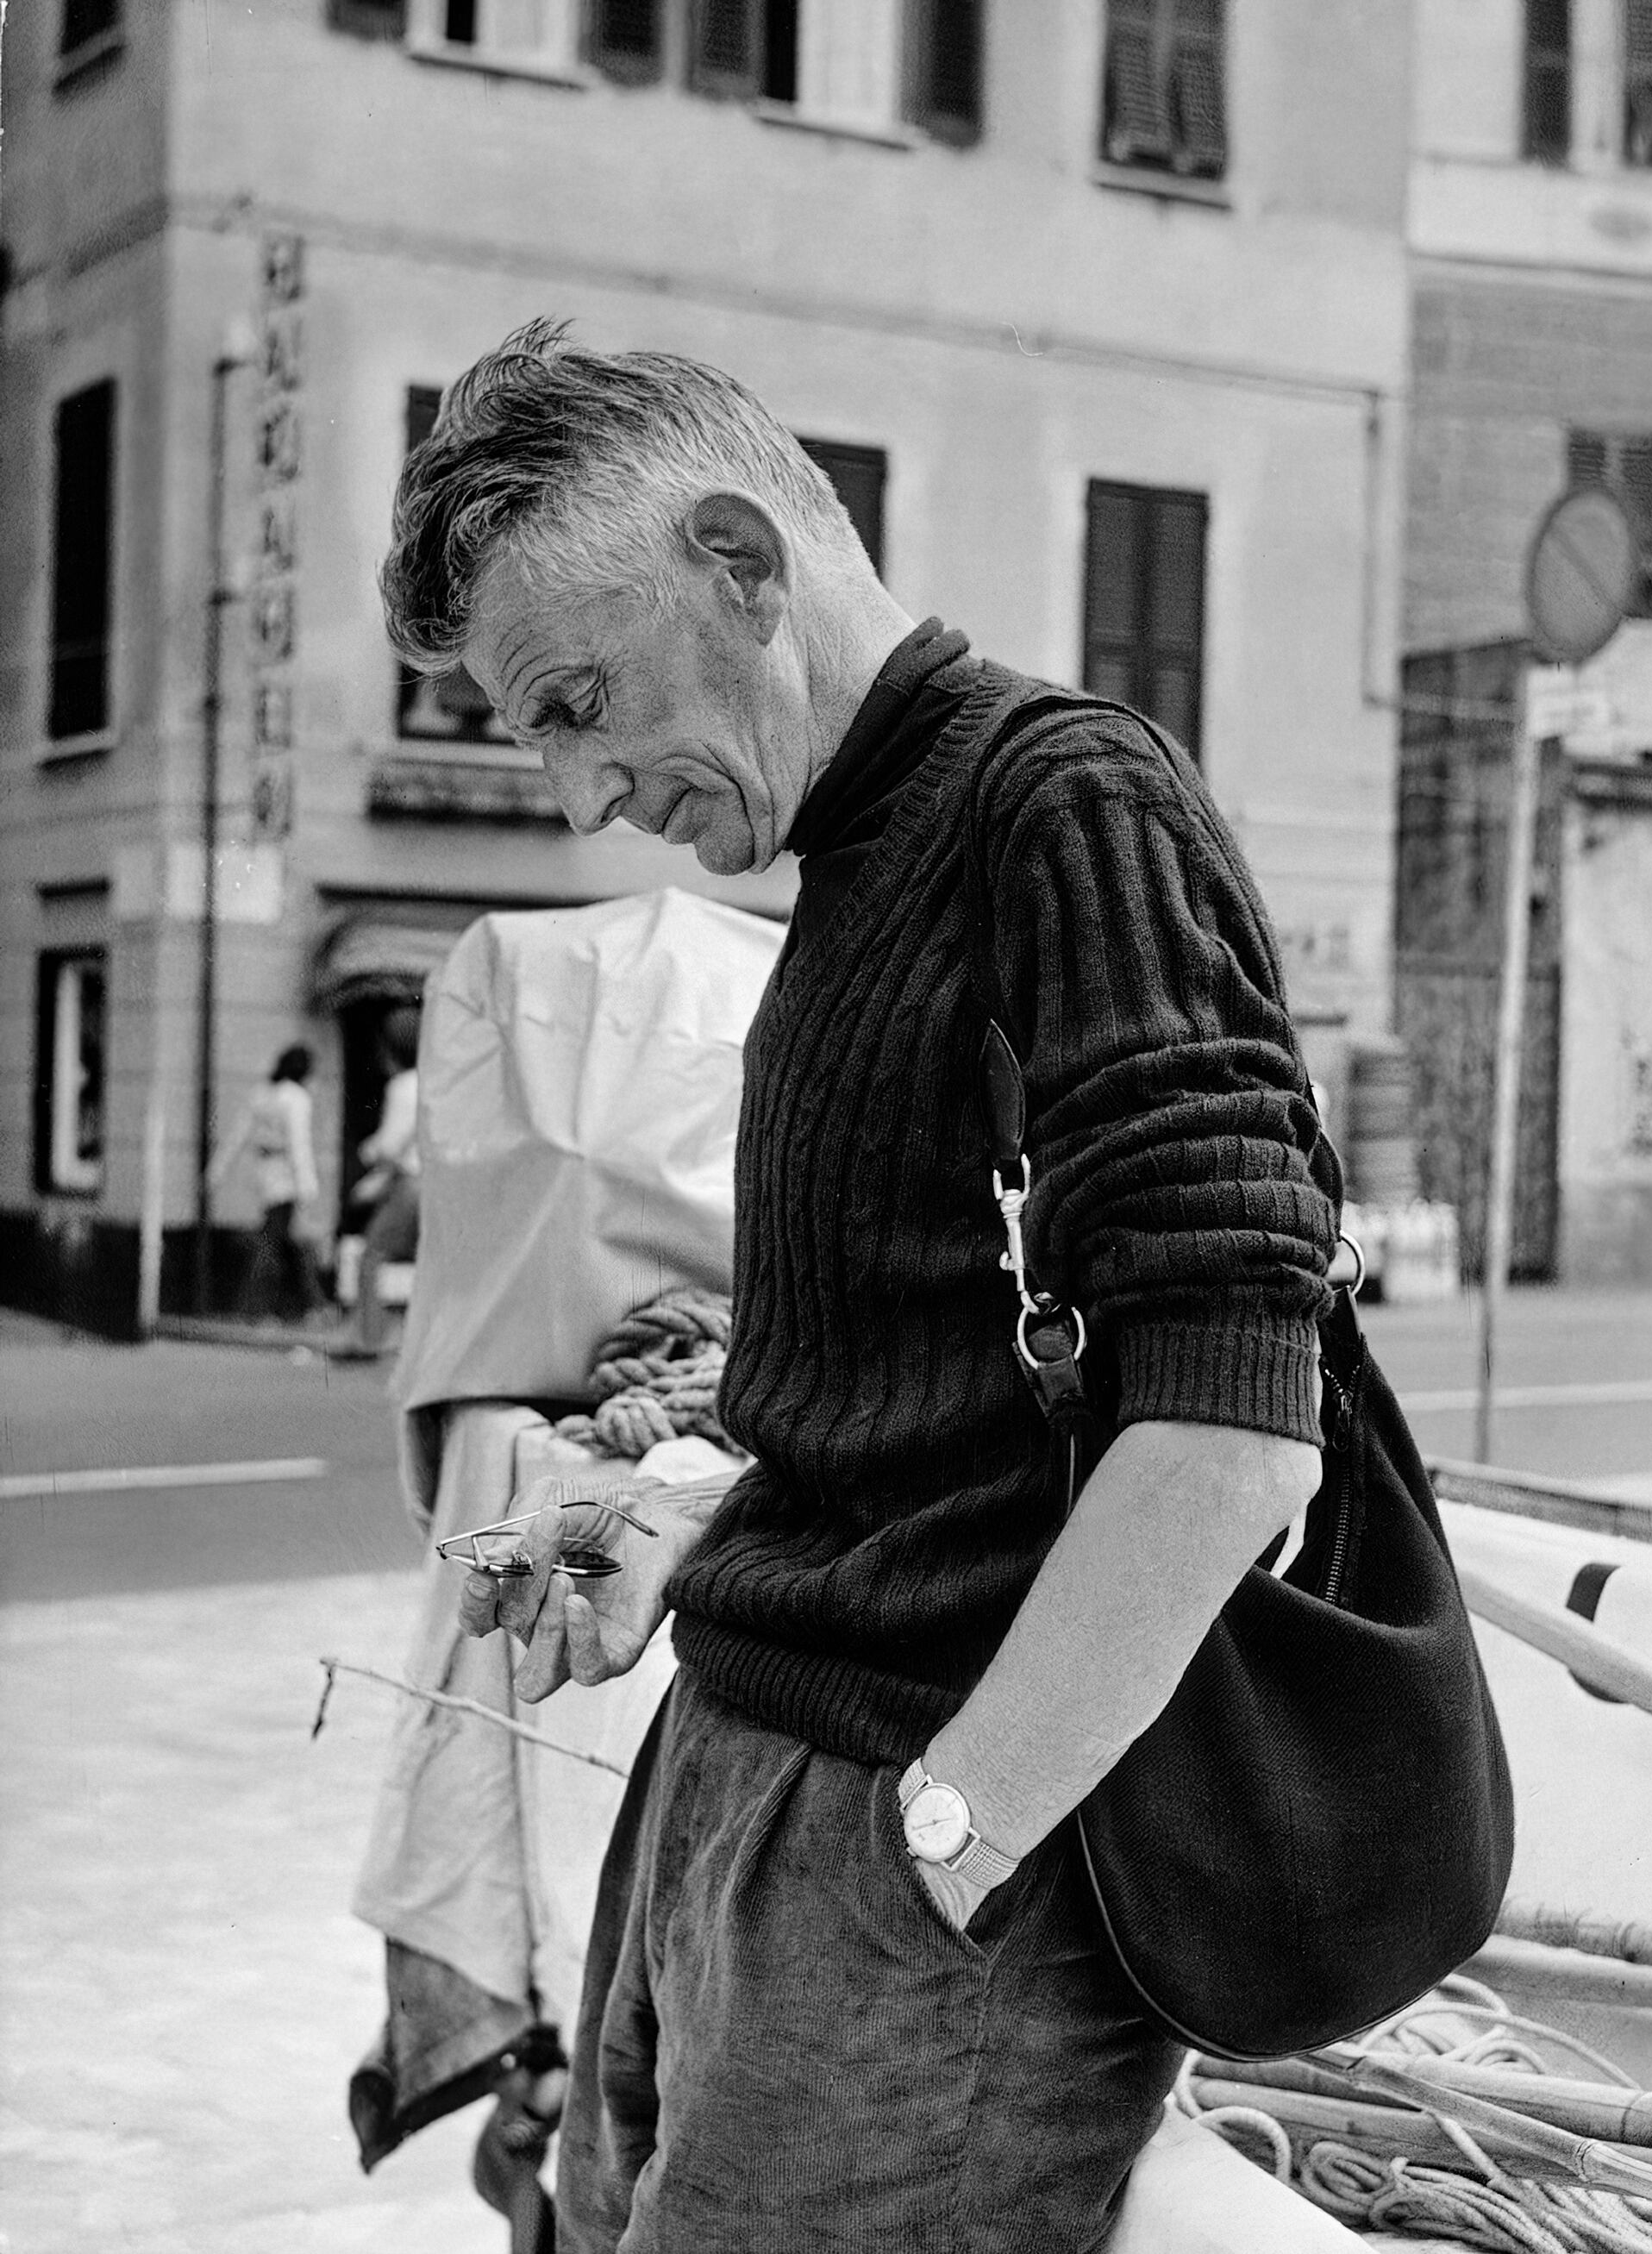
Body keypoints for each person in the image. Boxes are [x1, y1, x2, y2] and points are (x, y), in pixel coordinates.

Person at [380, 323, 1338, 2254]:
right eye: (535, 730)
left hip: (903, 1899)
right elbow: (931, 1393)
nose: (580, 794)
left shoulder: (1065, 805)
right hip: (743, 1801)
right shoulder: (855, 858)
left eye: (580, 698)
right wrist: (676, 1522)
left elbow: (1234, 1427)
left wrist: (943, 1843)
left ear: (741, 562)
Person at [207, 1042, 329, 1324]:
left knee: (286, 1239)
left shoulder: (263, 1094)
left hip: (264, 1171)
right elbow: (300, 1145)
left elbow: (238, 1135)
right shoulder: (296, 1098)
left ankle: (311, 1304)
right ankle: (260, 1306)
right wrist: (308, 1185)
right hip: (286, 1175)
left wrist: (217, 1170)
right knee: (275, 1240)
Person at [347, 1008, 422, 1356]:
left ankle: (368, 1337)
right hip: (432, 1183)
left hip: (407, 1183)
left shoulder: (402, 1086)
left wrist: (368, 1150)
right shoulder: (431, 1082)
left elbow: (391, 1145)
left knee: (371, 1258)